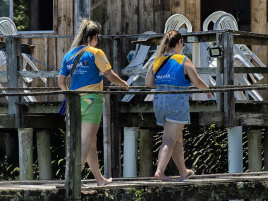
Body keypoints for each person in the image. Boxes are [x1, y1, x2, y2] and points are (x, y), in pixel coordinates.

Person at [57, 19, 129, 187]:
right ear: (95, 36)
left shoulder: (69, 55)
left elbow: (61, 81)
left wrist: (69, 94)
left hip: (74, 102)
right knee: (86, 141)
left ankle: (99, 179)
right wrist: (123, 83)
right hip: (92, 101)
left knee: (91, 142)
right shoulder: (96, 53)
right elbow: (109, 74)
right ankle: (73, 179)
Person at [145, 30, 213, 181]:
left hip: (159, 101)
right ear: (179, 43)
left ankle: (183, 171)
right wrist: (207, 90)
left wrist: (164, 85)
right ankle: (160, 172)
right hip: (176, 100)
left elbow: (148, 83)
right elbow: (196, 81)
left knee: (177, 138)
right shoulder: (183, 59)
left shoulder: (157, 60)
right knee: (169, 138)